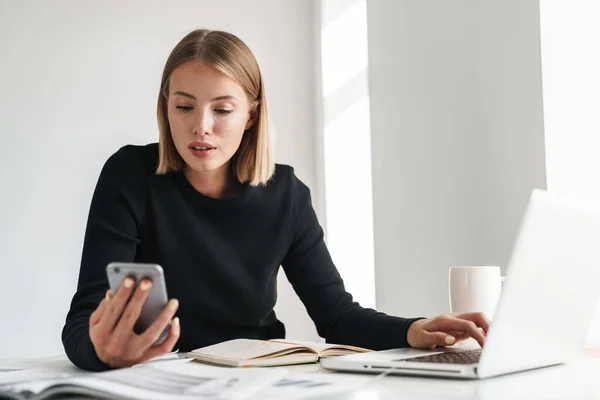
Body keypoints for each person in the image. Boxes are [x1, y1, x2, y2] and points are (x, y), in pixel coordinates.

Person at [62, 29, 489, 371]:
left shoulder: (286, 194)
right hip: (164, 380)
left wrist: (414, 329)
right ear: (166, 107)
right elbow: (82, 325)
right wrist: (102, 353)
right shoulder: (129, 176)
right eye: (185, 106)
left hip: (258, 381)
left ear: (250, 114)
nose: (201, 127)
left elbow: (337, 317)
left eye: (222, 110)